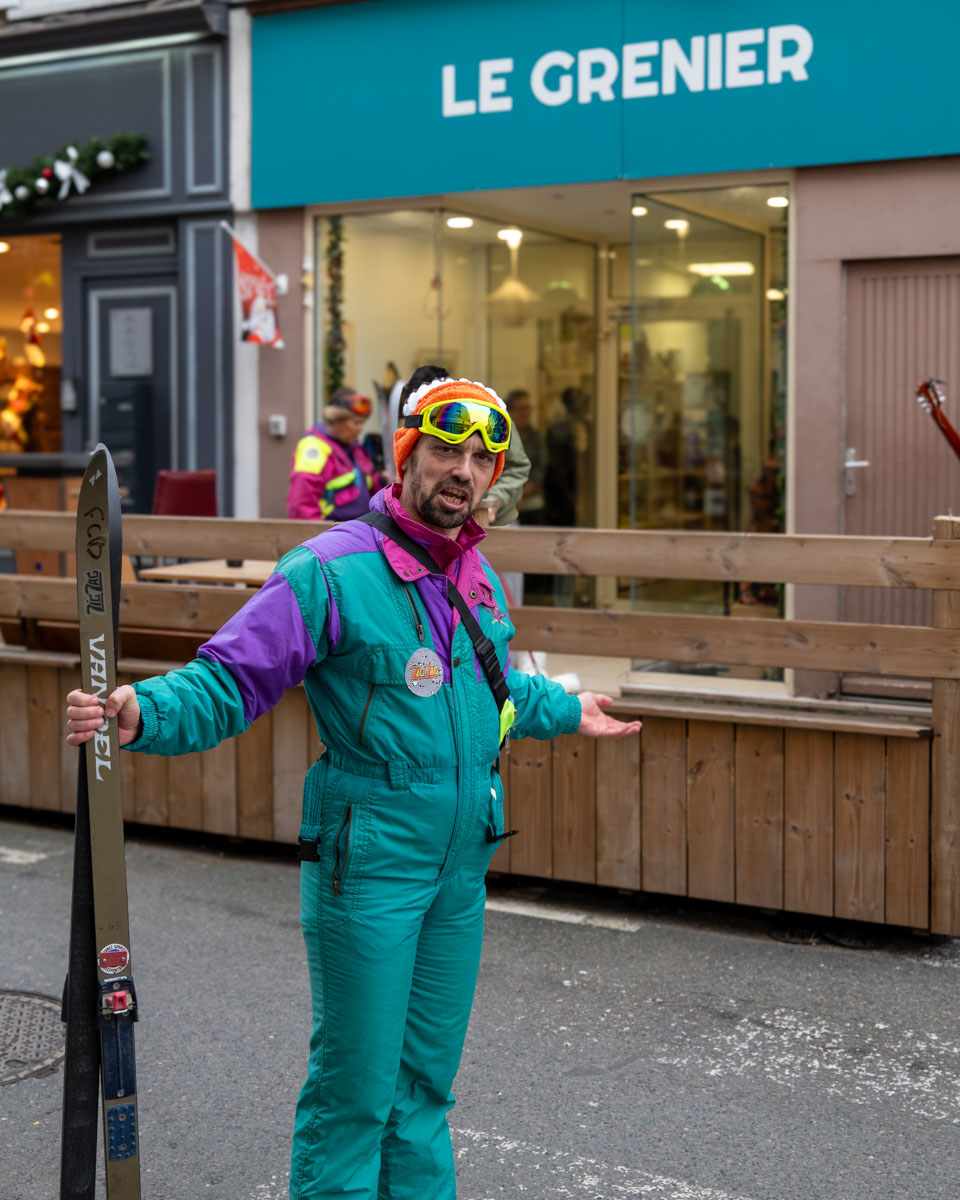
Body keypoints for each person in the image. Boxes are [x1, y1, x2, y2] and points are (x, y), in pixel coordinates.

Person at [65, 372, 641, 1200]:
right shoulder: (330, 570)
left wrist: (564, 708)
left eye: (483, 459)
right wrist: (142, 711)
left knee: (425, 1092)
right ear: (405, 455)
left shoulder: (474, 572)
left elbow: (493, 688)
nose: (464, 471)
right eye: (446, 449)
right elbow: (230, 679)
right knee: (356, 1095)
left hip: (460, 869)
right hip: (369, 866)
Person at [287, 386, 388, 521]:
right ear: (336, 419)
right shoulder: (314, 447)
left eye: (362, 423)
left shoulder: (355, 449)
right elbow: (301, 505)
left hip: (357, 529)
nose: (360, 429)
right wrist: (317, 534)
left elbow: (364, 489)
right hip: (330, 532)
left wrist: (381, 481)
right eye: (356, 423)